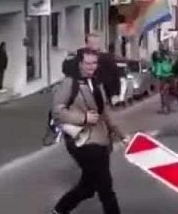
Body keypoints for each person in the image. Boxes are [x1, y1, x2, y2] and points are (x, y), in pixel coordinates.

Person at [52, 48, 128, 214]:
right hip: (81, 141)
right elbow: (57, 112)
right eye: (87, 63)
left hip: (100, 140)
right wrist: (84, 118)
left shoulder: (96, 82)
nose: (91, 67)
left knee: (88, 187)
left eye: (94, 63)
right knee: (106, 187)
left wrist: (121, 135)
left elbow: (105, 112)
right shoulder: (69, 83)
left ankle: (60, 209)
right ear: (79, 63)